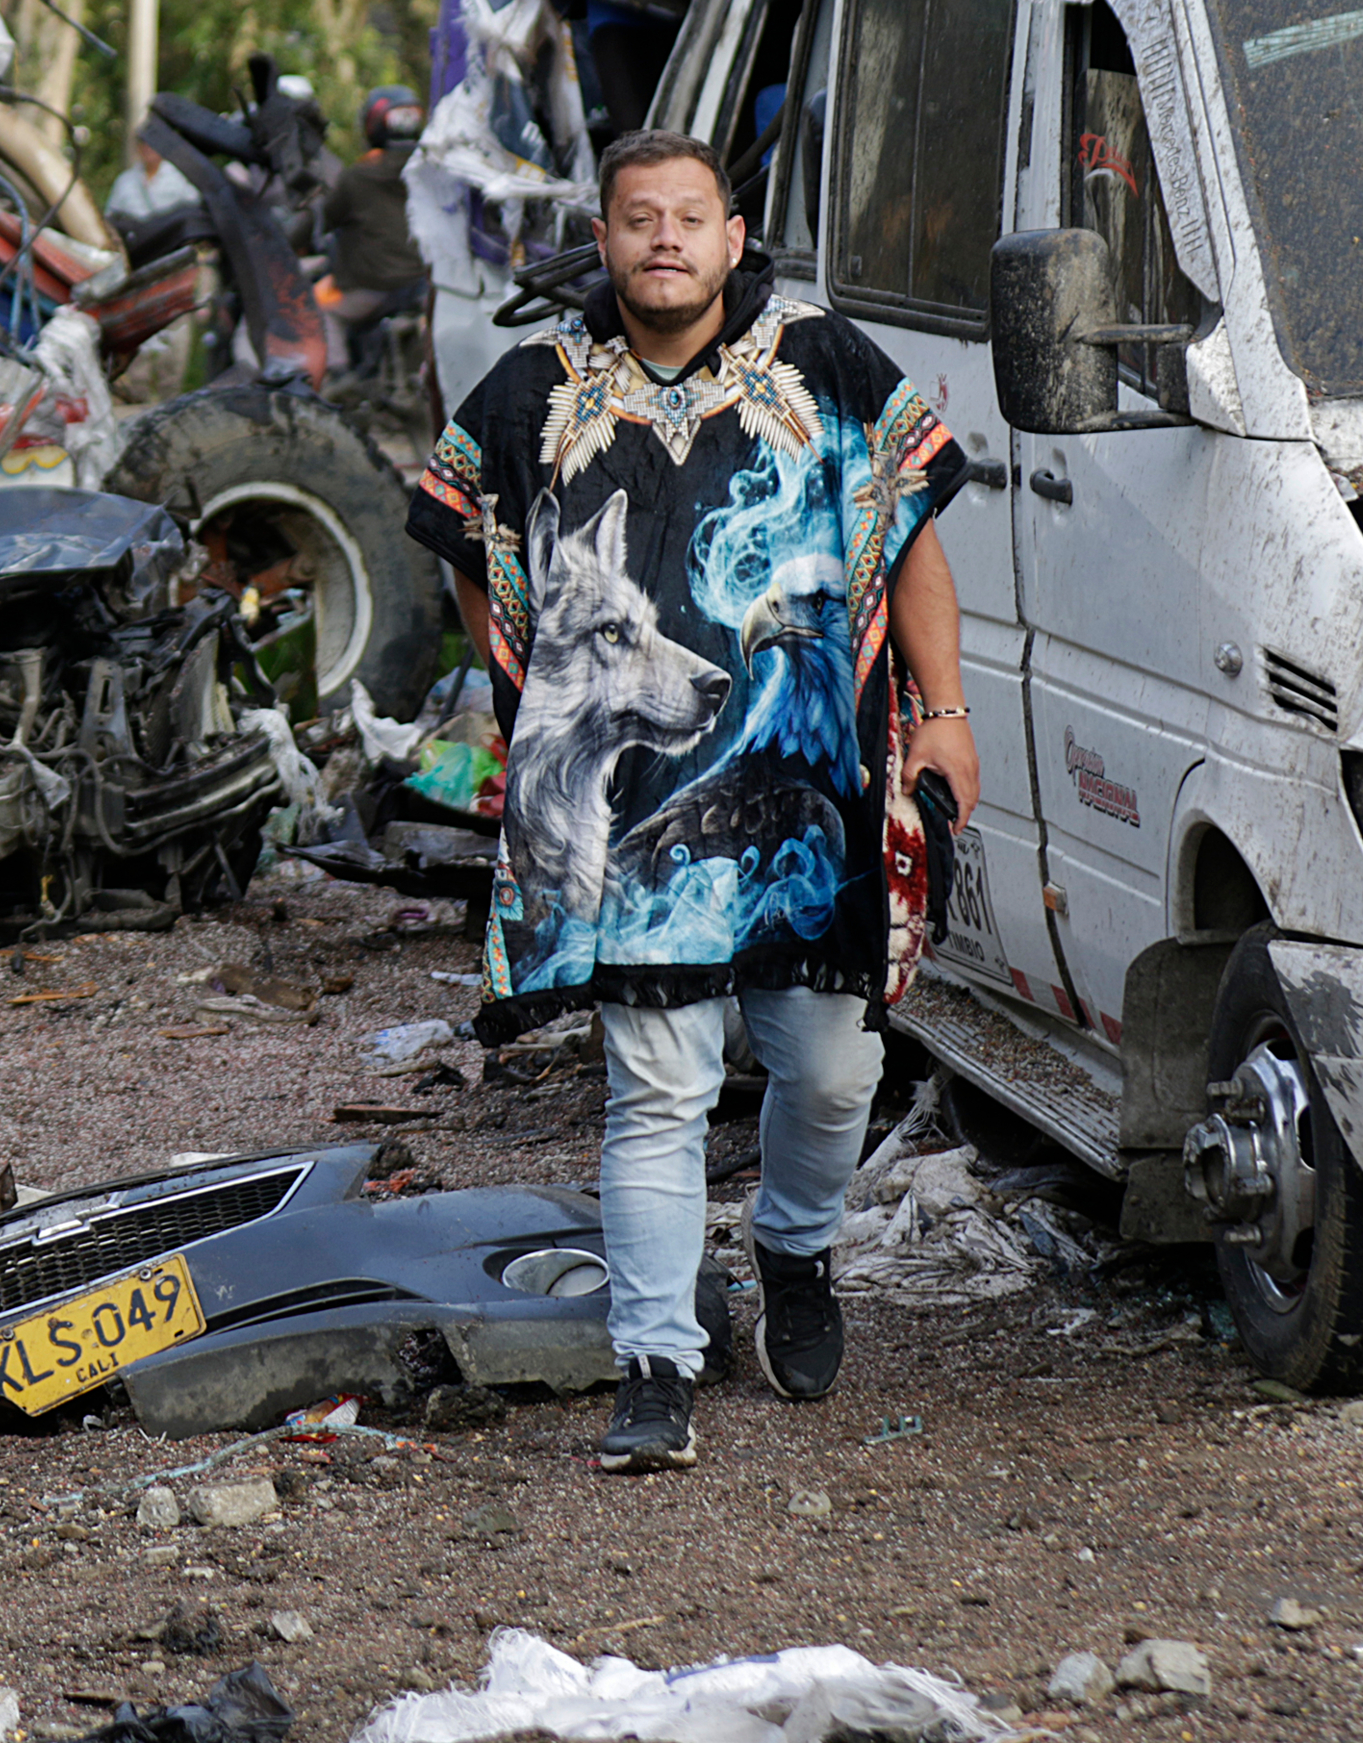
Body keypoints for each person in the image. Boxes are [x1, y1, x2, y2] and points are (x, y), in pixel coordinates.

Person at [405, 127, 979, 1474]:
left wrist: (945, 716)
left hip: (815, 792)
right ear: (603, 239)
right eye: (636, 216)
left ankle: (793, 1249)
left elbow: (910, 537)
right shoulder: (531, 389)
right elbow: (466, 539)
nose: (663, 237)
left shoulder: (824, 364)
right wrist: (527, 680)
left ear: (733, 237)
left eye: (688, 215)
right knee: (659, 1085)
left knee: (831, 1073)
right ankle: (655, 1360)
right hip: (634, 819)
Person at [312, 87, 430, 363]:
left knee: (318, 309)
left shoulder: (358, 176)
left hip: (374, 287)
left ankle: (336, 374)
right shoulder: (432, 168)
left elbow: (323, 219)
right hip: (425, 282)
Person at [104, 138, 202, 226]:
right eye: (144, 144)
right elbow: (111, 215)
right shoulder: (125, 180)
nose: (148, 148)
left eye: (152, 144)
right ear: (138, 148)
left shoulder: (179, 176)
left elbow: (195, 206)